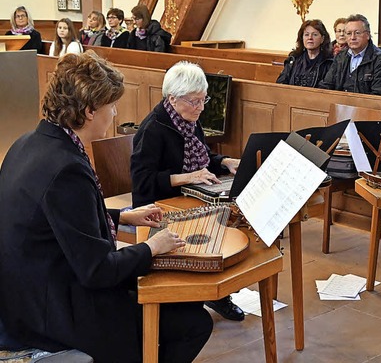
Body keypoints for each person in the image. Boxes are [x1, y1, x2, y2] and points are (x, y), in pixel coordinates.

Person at [0, 51, 212, 362]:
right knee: (193, 323)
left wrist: (122, 215)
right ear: (89, 110)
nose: (114, 114)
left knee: (182, 307)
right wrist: (152, 247)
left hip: (24, 293)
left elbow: (61, 219)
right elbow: (96, 271)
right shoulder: (66, 169)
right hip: (50, 310)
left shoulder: (28, 143)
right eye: (111, 106)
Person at [131, 61, 244, 322]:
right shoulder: (153, 129)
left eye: (204, 100)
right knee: (216, 221)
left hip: (186, 196)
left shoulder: (188, 120)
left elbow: (203, 158)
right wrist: (187, 177)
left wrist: (225, 161)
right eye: (194, 101)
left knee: (234, 216)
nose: (201, 108)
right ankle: (195, 293)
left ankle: (216, 288)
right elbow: (142, 182)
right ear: (173, 98)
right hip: (157, 203)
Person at [319, 14, 381, 96]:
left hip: (365, 107)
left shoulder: (380, 60)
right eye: (348, 33)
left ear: (368, 35)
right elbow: (326, 85)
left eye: (357, 33)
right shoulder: (341, 56)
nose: (352, 37)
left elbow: (378, 96)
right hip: (338, 105)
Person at [276, 19, 333, 88]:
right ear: (302, 38)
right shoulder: (294, 59)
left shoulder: (329, 62)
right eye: (306, 34)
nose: (310, 38)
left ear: (322, 39)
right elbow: (280, 84)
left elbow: (326, 89)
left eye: (314, 35)